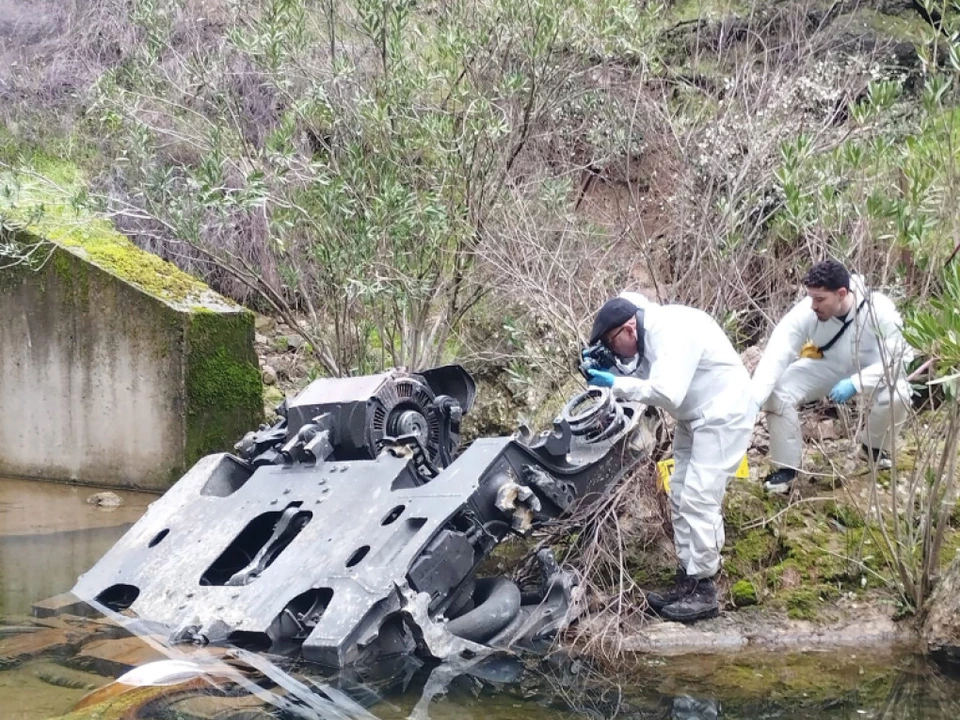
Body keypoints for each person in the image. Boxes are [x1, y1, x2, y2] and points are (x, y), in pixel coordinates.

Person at [584, 291, 755, 622]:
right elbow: (652, 380)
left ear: (629, 329)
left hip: (724, 413)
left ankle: (705, 589)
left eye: (610, 341)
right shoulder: (651, 336)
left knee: (699, 496)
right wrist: (609, 373)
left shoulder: (671, 331)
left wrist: (615, 384)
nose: (611, 348)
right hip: (697, 416)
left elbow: (666, 391)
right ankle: (688, 577)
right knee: (679, 492)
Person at [752, 259, 914, 494]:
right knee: (778, 393)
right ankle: (786, 469)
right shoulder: (806, 313)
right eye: (811, 298)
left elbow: (899, 358)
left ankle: (874, 449)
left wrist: (857, 383)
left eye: (820, 299)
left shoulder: (880, 309)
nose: (813, 306)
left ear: (841, 293)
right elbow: (778, 352)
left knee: (900, 393)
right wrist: (755, 397)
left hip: (873, 371)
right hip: (828, 366)